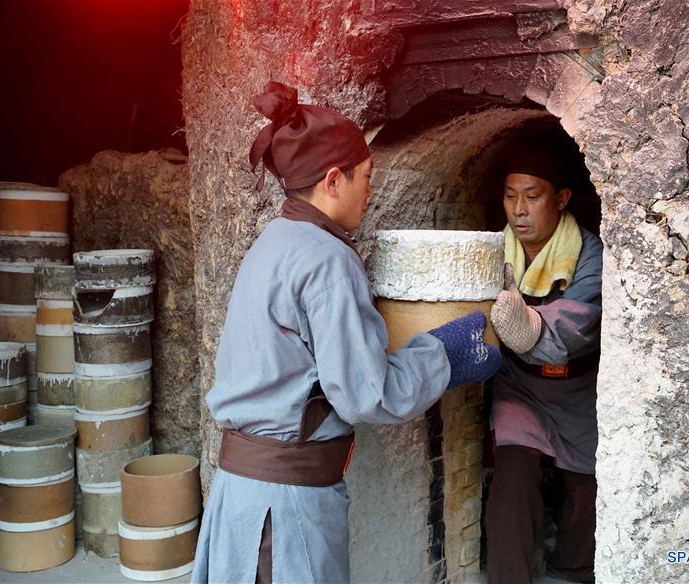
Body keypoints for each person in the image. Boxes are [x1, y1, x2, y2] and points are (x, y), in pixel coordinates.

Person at [191, 81, 502, 584]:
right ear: (333, 180)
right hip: (282, 507)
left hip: (245, 493)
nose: (370, 192)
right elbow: (365, 394)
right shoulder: (327, 259)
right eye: (366, 178)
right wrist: (443, 355)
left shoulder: (275, 242)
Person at [485, 143, 603, 584]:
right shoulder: (492, 251)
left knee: (585, 489)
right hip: (520, 385)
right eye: (510, 195)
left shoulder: (589, 254)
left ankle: (570, 573)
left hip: (578, 390)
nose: (519, 209)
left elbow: (576, 326)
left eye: (532, 196)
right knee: (513, 476)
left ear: (562, 198)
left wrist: (527, 327)